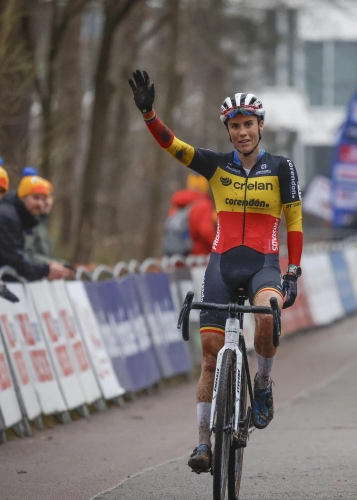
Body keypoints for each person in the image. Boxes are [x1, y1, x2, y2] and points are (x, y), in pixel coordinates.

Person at [129, 69, 304, 472]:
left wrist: (292, 270)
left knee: (267, 315)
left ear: (261, 126)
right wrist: (149, 113)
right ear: (227, 131)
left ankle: (262, 385)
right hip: (222, 264)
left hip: (263, 264)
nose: (242, 132)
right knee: (210, 357)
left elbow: (293, 221)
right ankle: (203, 444)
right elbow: (173, 147)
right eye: (234, 126)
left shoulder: (281, 167)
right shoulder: (215, 165)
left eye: (248, 124)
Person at [0, 175, 71, 281]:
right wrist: (46, 270)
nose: (39, 204)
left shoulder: (22, 218)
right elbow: (14, 261)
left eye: (43, 199)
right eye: (35, 198)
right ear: (22, 197)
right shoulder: (6, 217)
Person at [163, 172, 216, 256]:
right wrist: (217, 248)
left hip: (176, 253)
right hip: (198, 256)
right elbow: (206, 231)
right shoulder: (204, 205)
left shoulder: (177, 204)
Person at [22, 167, 58, 265]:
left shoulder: (42, 224)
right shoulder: (30, 223)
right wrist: (49, 264)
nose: (47, 202)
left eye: (49, 197)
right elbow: (27, 254)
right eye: (38, 198)